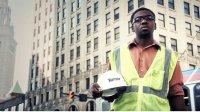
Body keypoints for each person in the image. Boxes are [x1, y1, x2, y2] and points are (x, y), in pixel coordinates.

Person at [90, 7, 185, 111]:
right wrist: (100, 91)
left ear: (155, 25)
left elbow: (176, 93)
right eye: (138, 19)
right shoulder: (116, 54)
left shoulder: (170, 56)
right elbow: (110, 93)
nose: (144, 21)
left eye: (149, 18)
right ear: (132, 28)